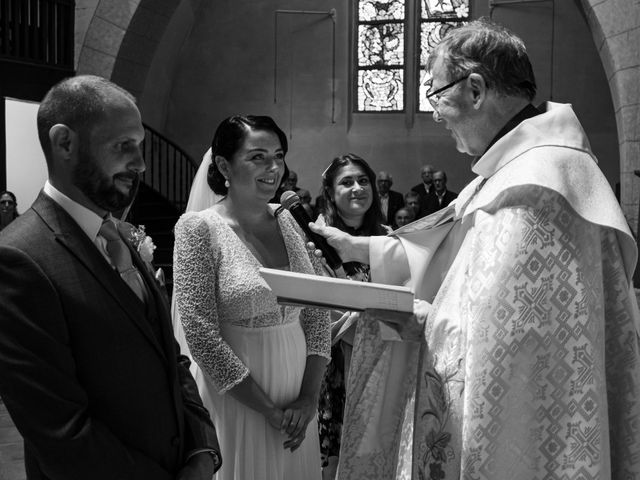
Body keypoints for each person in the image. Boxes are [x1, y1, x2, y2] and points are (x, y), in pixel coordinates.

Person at [310, 19, 640, 479]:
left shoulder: (538, 188)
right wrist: (362, 248)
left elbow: (511, 343)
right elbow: (450, 252)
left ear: (477, 90)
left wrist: (415, 318)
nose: (435, 113)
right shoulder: (511, 170)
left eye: (436, 94)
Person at [0, 75, 220, 479]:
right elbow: (62, 434)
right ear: (65, 143)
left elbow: (171, 360)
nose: (140, 164)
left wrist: (203, 450)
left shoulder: (119, 236)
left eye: (140, 146)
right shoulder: (18, 259)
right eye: (123, 147)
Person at [172, 115, 331, 480]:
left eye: (278, 155)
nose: (273, 168)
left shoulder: (287, 221)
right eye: (257, 156)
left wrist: (308, 398)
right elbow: (200, 336)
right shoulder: (198, 228)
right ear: (224, 165)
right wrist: (268, 411)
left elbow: (316, 311)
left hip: (296, 390)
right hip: (237, 396)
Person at [315, 154, 407, 480]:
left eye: (363, 180)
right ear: (330, 191)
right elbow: (316, 306)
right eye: (346, 182)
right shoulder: (317, 239)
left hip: (384, 358)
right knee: (336, 458)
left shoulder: (388, 236)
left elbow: (403, 295)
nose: (357, 188)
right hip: (336, 362)